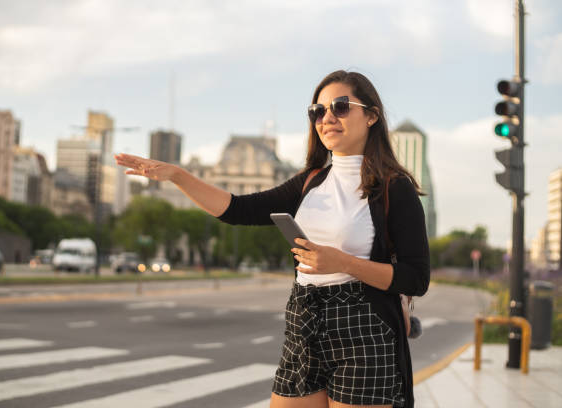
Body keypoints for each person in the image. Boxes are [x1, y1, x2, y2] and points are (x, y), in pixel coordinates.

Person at [114, 70, 429, 408]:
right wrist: (177, 176)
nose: (327, 118)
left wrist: (342, 263)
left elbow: (416, 277)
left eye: (340, 107)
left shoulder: (394, 188)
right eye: (317, 111)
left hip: (362, 327)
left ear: (371, 116)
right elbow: (237, 209)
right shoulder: (309, 181)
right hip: (304, 320)